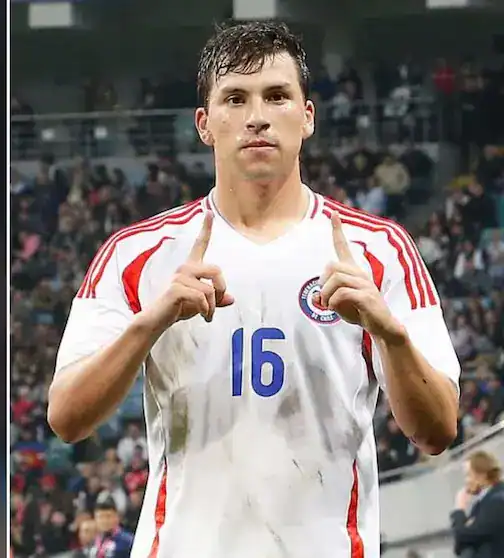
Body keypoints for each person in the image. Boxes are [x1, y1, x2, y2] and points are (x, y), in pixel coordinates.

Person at [47, 21, 459, 558]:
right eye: (235, 98)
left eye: (278, 95)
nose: (258, 116)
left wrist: (390, 334)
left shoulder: (378, 250)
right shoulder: (136, 254)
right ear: (204, 124)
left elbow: (437, 431)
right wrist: (149, 323)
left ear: (307, 116)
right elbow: (66, 418)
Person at [450, 450, 504, 557]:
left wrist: (459, 509)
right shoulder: (481, 504)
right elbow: (459, 546)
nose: (466, 481)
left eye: (468, 475)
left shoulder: (498, 501)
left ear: (481, 475)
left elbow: (463, 536)